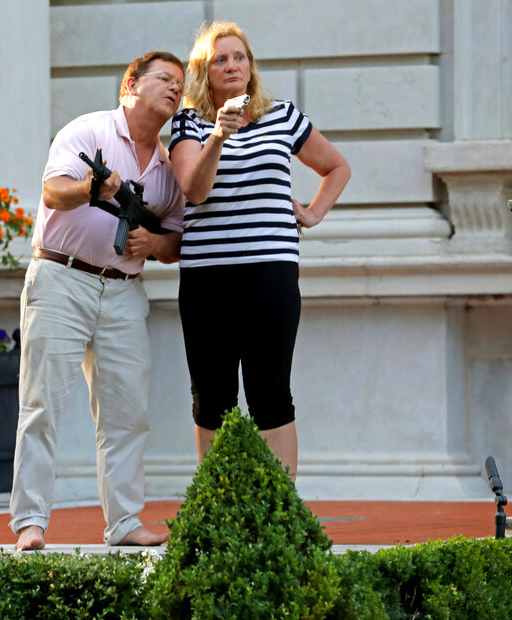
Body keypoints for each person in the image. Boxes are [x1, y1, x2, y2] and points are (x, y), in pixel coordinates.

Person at [10, 51, 186, 551]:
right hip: (62, 277)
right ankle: (30, 522)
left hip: (125, 290)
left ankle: (125, 523)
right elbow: (52, 192)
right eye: (164, 78)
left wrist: (153, 245)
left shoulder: (169, 169)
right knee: (42, 404)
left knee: (127, 412)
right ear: (130, 84)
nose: (175, 88)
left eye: (180, 83)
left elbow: (175, 240)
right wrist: (93, 187)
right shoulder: (88, 131)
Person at [169, 22, 351, 479]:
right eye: (220, 59)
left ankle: (280, 514)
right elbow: (195, 191)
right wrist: (217, 136)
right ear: (204, 72)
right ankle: (218, 508)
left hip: (271, 273)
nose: (232, 65)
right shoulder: (190, 124)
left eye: (239, 57)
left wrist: (312, 213)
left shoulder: (281, 115)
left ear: (250, 66)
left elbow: (337, 167)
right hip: (208, 278)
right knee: (212, 396)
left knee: (271, 392)